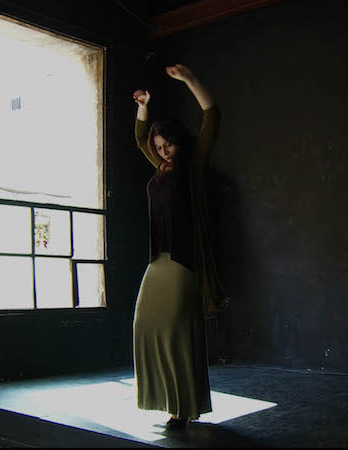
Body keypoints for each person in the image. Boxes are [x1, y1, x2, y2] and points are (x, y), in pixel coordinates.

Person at [131, 64, 229, 429]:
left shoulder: (193, 164)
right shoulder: (160, 166)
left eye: (167, 144)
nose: (162, 151)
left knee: (178, 330)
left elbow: (212, 114)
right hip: (158, 260)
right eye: (159, 147)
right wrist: (144, 106)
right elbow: (141, 138)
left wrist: (189, 80)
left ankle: (183, 407)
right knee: (145, 323)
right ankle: (170, 400)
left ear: (180, 141)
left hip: (184, 261)